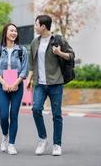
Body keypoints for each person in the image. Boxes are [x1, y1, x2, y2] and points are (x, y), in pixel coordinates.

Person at [27, 15, 75, 156]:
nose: (35, 26)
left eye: (36, 24)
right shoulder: (34, 42)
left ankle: (57, 145)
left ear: (43, 26)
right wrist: (29, 80)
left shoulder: (58, 40)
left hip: (55, 83)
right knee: (36, 109)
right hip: (40, 84)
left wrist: (59, 52)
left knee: (57, 115)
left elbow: (71, 56)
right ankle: (43, 139)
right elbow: (31, 63)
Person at [0, 23, 28, 155]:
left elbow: (24, 70)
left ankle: (11, 144)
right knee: (3, 116)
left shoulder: (21, 50)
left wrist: (16, 83)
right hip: (2, 86)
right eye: (11, 30)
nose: (14, 33)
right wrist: (3, 83)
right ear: (5, 33)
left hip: (17, 86)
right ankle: (4, 135)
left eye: (15, 31)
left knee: (14, 115)